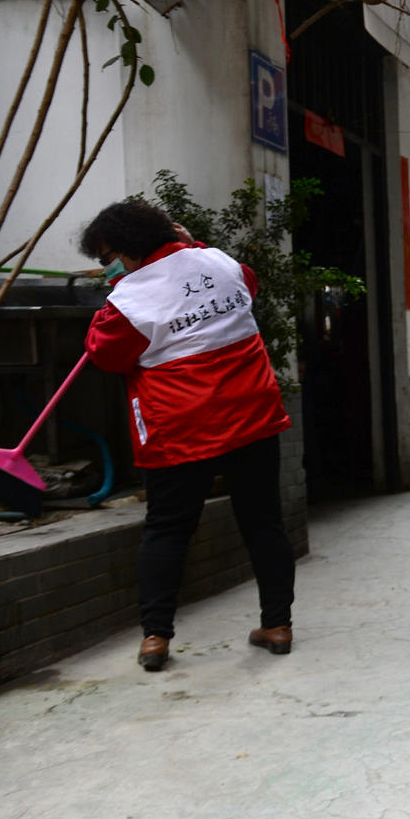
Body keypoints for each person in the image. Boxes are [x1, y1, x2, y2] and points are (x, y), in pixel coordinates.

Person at [79, 198, 296, 672]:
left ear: (127, 248)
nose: (105, 268)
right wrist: (190, 246)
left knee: (168, 529)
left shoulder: (129, 300)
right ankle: (277, 624)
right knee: (263, 521)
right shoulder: (219, 261)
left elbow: (107, 355)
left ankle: (155, 637)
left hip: (181, 428)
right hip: (251, 416)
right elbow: (248, 287)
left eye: (105, 258)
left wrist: (118, 292)